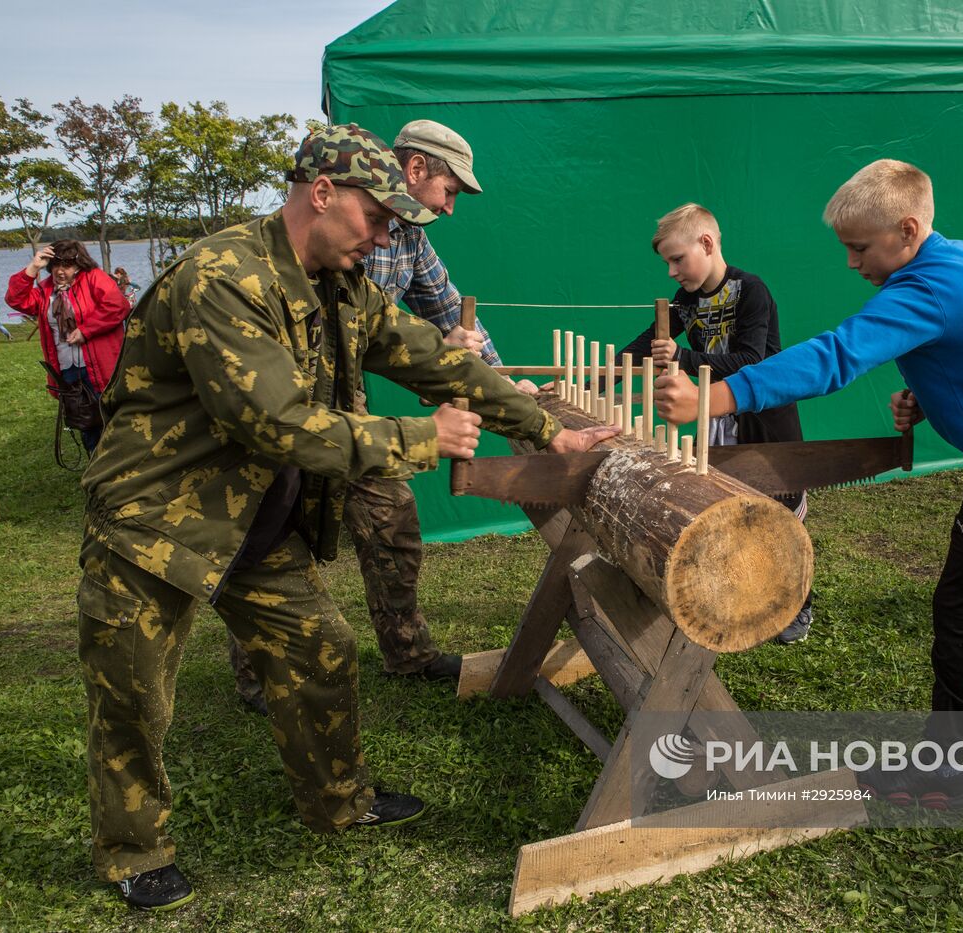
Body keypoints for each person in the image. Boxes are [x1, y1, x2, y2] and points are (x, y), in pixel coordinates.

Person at [74, 123, 616, 910]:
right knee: (132, 692)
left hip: (253, 524)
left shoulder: (341, 284)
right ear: (321, 193)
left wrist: (546, 428)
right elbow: (272, 421)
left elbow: (436, 355)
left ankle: (339, 799)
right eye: (379, 217)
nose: (388, 235)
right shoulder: (223, 277)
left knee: (321, 651)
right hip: (154, 526)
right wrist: (422, 438)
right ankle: (133, 849)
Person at [654, 160, 963, 809]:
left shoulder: (923, 290)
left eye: (859, 248)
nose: (851, 263)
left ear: (908, 230)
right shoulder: (960, 261)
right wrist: (932, 388)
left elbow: (835, 356)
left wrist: (715, 397)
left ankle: (941, 774)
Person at [227, 118, 533, 711]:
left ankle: (407, 651)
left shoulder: (409, 242)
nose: (448, 209)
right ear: (416, 170)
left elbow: (447, 322)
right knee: (270, 536)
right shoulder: (295, 245)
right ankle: (257, 675)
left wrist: (501, 383)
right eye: (449, 191)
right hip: (284, 413)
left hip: (350, 410)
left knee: (392, 518)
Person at [621, 203, 814, 643]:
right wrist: (603, 372)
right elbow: (650, 343)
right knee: (734, 510)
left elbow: (754, 360)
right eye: (667, 262)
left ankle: (799, 605)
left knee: (783, 520)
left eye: (677, 259)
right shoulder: (688, 302)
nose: (672, 272)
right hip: (720, 418)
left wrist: (684, 358)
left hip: (767, 422)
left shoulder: (750, 290)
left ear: (706, 244)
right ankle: (749, 595)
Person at [4, 241, 131, 453]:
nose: (60, 271)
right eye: (55, 265)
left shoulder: (95, 278)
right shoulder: (46, 290)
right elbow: (16, 300)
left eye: (67, 265)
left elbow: (118, 306)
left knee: (111, 416)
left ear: (79, 265)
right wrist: (33, 267)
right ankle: (96, 467)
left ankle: (123, 463)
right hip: (67, 367)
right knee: (85, 420)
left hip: (102, 365)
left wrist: (86, 330)